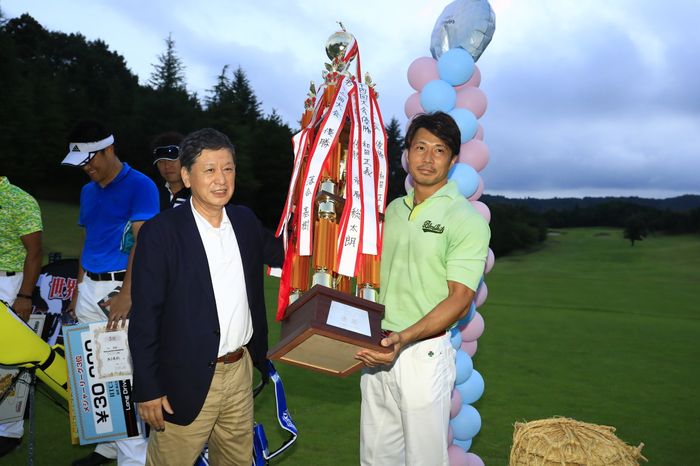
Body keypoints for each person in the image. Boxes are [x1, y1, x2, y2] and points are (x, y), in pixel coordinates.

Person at [128, 128, 284, 466]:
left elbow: (286, 253)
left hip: (239, 371)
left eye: (228, 169)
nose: (221, 180)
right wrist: (148, 388)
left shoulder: (244, 221)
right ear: (186, 176)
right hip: (183, 379)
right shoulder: (161, 233)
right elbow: (144, 318)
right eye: (210, 169)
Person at [356, 112, 491, 466]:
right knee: (375, 459)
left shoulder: (466, 219)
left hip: (423, 355)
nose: (428, 158)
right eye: (420, 147)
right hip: (378, 349)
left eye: (439, 150)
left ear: (453, 159)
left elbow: (460, 300)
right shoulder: (393, 211)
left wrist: (403, 338)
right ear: (406, 154)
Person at [62, 119, 159, 466]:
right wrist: (78, 288)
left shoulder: (141, 186)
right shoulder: (88, 191)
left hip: (120, 289)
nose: (86, 168)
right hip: (89, 287)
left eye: (90, 160)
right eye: (81, 163)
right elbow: (89, 240)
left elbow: (143, 243)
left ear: (109, 149)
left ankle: (133, 459)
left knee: (120, 377)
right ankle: (108, 447)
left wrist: (128, 294)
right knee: (96, 376)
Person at [0, 176, 43, 457]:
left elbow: (35, 252)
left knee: (11, 361)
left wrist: (25, 295)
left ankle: (9, 431)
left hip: (10, 284)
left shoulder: (19, 200)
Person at [151, 131, 190, 210]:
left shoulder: (198, 194)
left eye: (172, 160)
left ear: (185, 160)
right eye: (161, 162)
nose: (166, 166)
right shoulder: (152, 194)